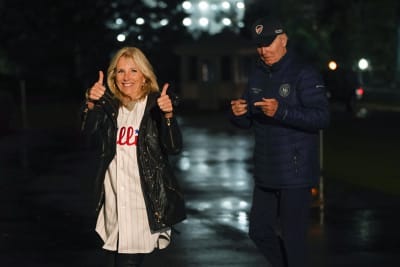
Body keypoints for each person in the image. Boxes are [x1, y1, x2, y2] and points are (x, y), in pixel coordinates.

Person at [229, 17, 330, 267]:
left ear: (283, 40)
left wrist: (281, 111)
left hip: (295, 173)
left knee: (294, 241)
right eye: (259, 46)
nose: (264, 51)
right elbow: (249, 120)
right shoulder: (257, 74)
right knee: (258, 231)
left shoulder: (303, 72)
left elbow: (322, 117)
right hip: (266, 171)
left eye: (269, 43)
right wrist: (238, 115)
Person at [80, 46, 186, 267]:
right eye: (120, 71)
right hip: (114, 200)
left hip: (142, 202)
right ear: (113, 76)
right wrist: (91, 104)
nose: (126, 77)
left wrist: (168, 116)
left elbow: (173, 147)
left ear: (145, 75)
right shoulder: (110, 106)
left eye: (133, 71)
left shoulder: (155, 105)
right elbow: (86, 135)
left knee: (127, 262)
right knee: (115, 260)